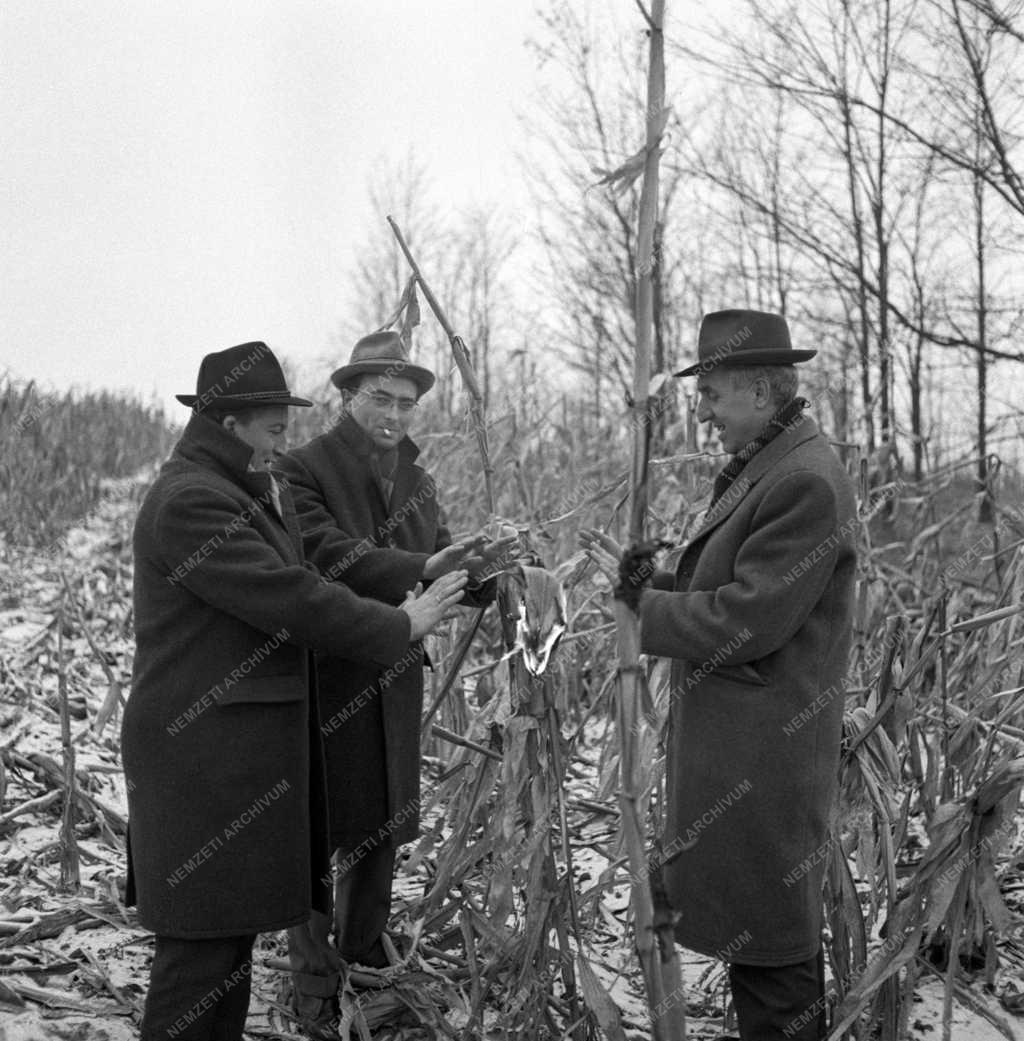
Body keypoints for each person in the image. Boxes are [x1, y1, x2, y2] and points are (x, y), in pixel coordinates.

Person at [122, 341, 467, 1041]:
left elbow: (307, 580)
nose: (284, 441)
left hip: (228, 764)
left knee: (223, 957)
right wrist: (401, 623)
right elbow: (296, 595)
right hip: (202, 768)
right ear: (230, 423)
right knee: (196, 963)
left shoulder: (232, 488)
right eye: (275, 427)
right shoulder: (194, 501)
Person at [581, 309, 857, 1041]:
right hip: (747, 750)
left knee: (773, 954)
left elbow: (750, 617)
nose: (705, 413)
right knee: (756, 939)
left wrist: (648, 612)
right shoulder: (776, 464)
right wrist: (659, 581)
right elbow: (732, 576)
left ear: (762, 392)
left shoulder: (806, 481)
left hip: (767, 758)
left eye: (713, 395)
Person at [277, 331, 514, 1005]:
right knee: (320, 829)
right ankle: (315, 987)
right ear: (349, 395)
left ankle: (362, 955)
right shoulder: (302, 469)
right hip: (331, 675)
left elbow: (443, 559)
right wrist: (425, 571)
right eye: (381, 398)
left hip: (396, 679)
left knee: (382, 822)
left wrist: (485, 571)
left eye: (406, 403)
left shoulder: (419, 479)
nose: (395, 414)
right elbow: (327, 556)